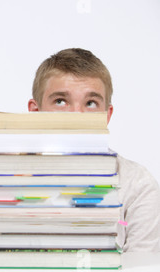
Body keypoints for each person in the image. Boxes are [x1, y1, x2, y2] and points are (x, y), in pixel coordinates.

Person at [28, 48, 160, 252]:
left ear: (107, 115)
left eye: (90, 103)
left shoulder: (137, 184)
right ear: (35, 112)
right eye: (60, 101)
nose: (77, 115)